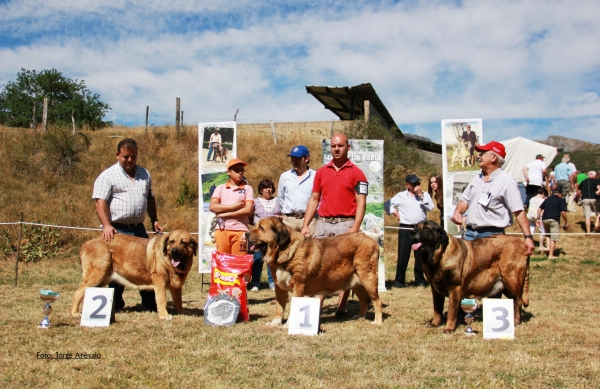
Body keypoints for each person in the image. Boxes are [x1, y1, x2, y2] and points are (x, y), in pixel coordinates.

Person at [92, 138, 164, 311]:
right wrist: (107, 225)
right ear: (117, 155)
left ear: (137, 155)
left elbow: (150, 198)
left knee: (148, 265)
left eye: (132, 156)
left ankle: (150, 303)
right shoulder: (107, 175)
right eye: (125, 157)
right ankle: (114, 305)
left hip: (138, 227)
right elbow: (100, 201)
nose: (129, 160)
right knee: (117, 267)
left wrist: (154, 219)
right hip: (117, 229)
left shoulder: (144, 174)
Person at [301, 133, 368, 319]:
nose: (336, 149)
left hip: (345, 225)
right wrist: (306, 224)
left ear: (348, 147)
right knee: (318, 268)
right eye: (333, 146)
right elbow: (314, 199)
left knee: (344, 267)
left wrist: (355, 227)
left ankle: (341, 308)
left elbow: (361, 202)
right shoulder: (321, 172)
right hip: (323, 224)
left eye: (340, 145)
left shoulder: (357, 173)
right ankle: (316, 310)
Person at [450, 141, 535, 255]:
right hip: (469, 234)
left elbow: (519, 212)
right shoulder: (476, 179)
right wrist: (457, 212)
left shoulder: (507, 182)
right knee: (467, 272)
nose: (478, 156)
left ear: (493, 157)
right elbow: (464, 201)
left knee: (490, 272)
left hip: (492, 237)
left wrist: (528, 237)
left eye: (482, 153)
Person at [390, 174, 433, 288]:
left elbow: (430, 207)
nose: (416, 186)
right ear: (407, 184)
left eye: (418, 183)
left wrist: (421, 195)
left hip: (420, 228)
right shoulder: (401, 196)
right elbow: (387, 204)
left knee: (420, 255)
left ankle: (420, 280)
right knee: (403, 254)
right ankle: (399, 281)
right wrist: (396, 213)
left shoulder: (425, 195)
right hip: (405, 228)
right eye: (414, 184)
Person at [209, 158, 254, 254]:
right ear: (229, 172)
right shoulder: (220, 188)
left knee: (238, 263)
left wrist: (225, 214)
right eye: (237, 170)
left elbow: (248, 210)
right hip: (222, 230)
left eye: (242, 170)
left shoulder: (248, 188)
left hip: (241, 230)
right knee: (223, 262)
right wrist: (232, 207)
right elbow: (213, 207)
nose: (240, 173)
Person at [249, 179, 281, 291]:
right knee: (257, 259)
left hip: (273, 236)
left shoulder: (278, 201)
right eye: (265, 187)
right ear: (261, 190)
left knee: (271, 258)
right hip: (259, 235)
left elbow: (282, 216)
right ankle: (255, 282)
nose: (268, 190)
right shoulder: (255, 202)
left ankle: (272, 282)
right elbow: (250, 216)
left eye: (270, 187)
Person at [277, 145, 317, 233]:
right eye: (292, 158)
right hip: (289, 221)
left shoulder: (316, 176)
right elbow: (280, 198)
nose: (294, 161)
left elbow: (319, 199)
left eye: (297, 158)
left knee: (310, 246)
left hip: (309, 220)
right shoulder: (285, 176)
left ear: (306, 159)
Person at [537, 189, 568, 259]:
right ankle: (551, 255)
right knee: (553, 238)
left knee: (548, 235)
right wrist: (566, 222)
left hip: (544, 219)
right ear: (560, 194)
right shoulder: (561, 200)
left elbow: (539, 209)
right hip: (554, 220)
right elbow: (563, 212)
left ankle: (548, 249)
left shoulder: (547, 199)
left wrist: (538, 218)